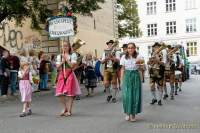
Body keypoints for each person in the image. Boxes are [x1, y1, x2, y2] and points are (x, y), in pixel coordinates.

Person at [55, 41, 81, 117]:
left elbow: (72, 66)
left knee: (69, 93)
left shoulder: (72, 55)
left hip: (69, 74)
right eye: (63, 46)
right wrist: (62, 61)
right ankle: (65, 108)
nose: (64, 47)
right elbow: (57, 67)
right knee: (59, 93)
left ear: (69, 47)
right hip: (61, 74)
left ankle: (69, 110)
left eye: (66, 46)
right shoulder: (59, 56)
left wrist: (66, 59)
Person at [120, 42, 142, 122]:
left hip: (135, 76)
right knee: (126, 96)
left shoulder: (138, 56)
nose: (130, 49)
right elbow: (122, 69)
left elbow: (140, 69)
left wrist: (141, 79)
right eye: (129, 48)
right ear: (127, 49)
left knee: (135, 95)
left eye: (132, 47)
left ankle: (133, 114)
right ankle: (127, 113)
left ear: (134, 48)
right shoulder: (123, 57)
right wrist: (122, 80)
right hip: (127, 76)